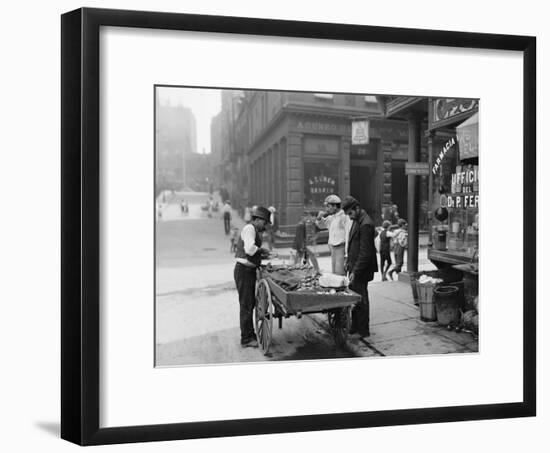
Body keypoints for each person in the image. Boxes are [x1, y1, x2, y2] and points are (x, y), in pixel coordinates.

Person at [233, 206, 272, 348]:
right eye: (265, 223)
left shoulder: (254, 230)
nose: (266, 226)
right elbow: (249, 249)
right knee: (246, 305)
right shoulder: (249, 229)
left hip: (248, 271)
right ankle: (246, 338)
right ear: (258, 220)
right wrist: (261, 250)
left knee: (249, 304)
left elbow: (253, 251)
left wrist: (263, 254)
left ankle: (250, 334)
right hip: (243, 271)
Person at [342, 196, 378, 337]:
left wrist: (355, 271)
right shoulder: (358, 220)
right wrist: (348, 261)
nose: (349, 217)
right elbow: (353, 245)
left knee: (361, 299)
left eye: (350, 213)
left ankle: (363, 330)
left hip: (361, 269)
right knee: (354, 298)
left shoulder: (366, 224)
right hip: (355, 266)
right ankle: (355, 326)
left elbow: (365, 253)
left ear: (357, 208)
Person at [316, 194, 349, 275]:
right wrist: (319, 218)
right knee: (334, 274)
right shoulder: (332, 217)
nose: (327, 209)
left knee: (340, 274)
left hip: (341, 247)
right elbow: (321, 225)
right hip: (333, 248)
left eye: (328, 206)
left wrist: (347, 253)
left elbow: (348, 234)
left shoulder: (344, 217)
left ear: (335, 206)